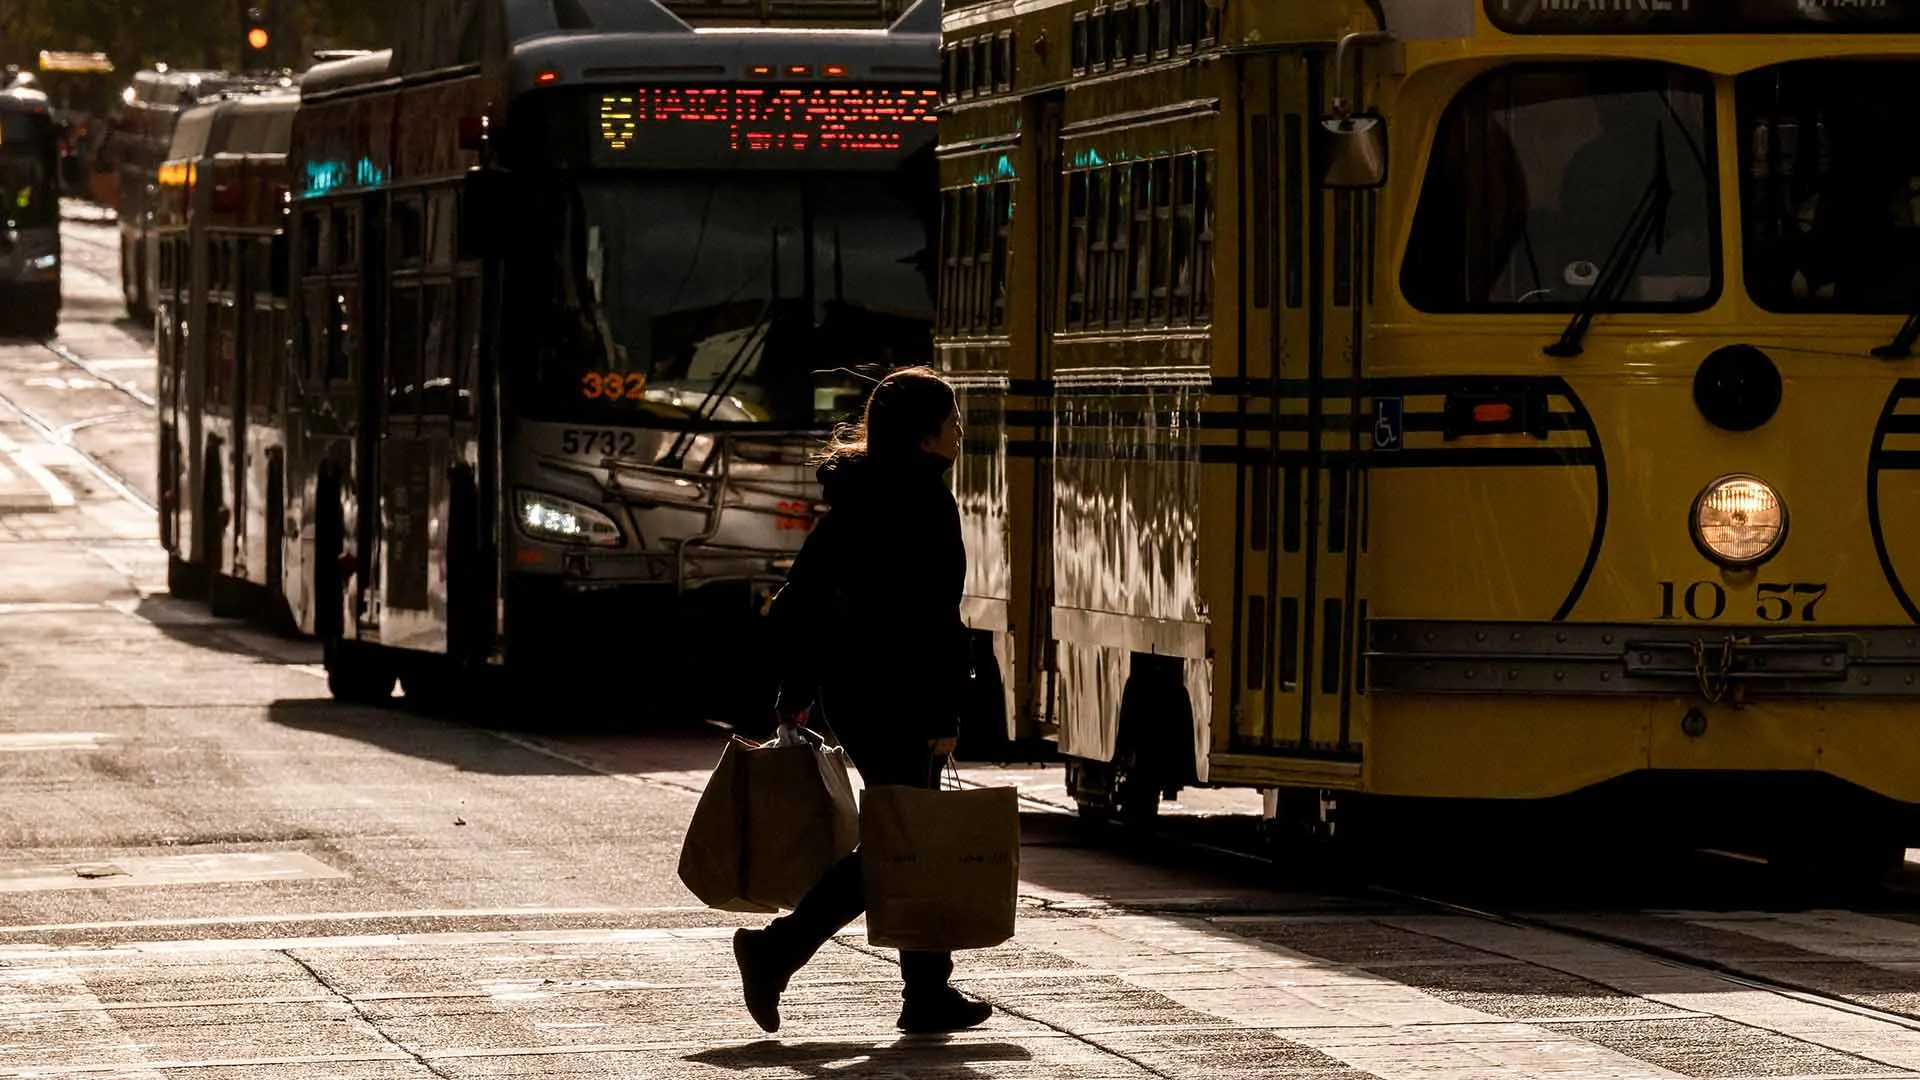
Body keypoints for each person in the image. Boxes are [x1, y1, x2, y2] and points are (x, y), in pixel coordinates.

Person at [732, 364, 991, 1036]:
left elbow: (806, 596)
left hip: (855, 689)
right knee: (896, 839)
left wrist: (797, 689)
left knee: (904, 832)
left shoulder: (858, 494)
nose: (960, 432)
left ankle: (925, 990)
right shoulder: (923, 499)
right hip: (902, 693)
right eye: (953, 421)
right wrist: (943, 712)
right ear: (928, 433)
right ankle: (778, 950)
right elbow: (931, 617)